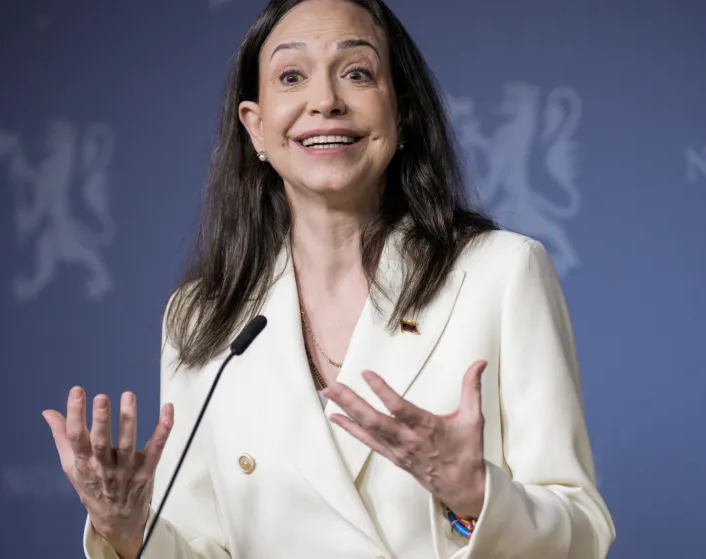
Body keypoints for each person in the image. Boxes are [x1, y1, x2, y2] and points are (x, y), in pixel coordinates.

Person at [42, 0, 616, 557]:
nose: (324, 101)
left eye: (358, 73)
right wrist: (124, 530)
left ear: (402, 114)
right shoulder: (202, 315)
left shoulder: (500, 272)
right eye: (291, 76)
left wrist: (475, 496)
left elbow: (583, 532)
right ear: (257, 127)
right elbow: (203, 547)